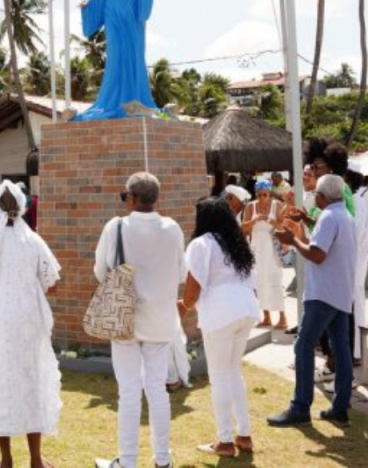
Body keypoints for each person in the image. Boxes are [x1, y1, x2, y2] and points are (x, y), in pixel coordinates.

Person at [0, 181, 62, 468]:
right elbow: (51, 282)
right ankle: (36, 459)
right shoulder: (32, 241)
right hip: (25, 320)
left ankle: (5, 459)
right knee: (31, 379)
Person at [93, 172, 185, 468]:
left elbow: (100, 270)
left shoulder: (116, 226)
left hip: (124, 317)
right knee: (157, 389)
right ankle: (162, 459)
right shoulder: (172, 229)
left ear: (132, 198)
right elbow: (182, 273)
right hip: (160, 318)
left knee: (129, 391)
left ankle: (128, 461)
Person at [269, 174, 357, 427]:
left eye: (316, 194)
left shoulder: (330, 216)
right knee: (341, 349)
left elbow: (317, 255)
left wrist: (291, 240)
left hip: (324, 294)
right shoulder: (344, 214)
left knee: (303, 345)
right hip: (340, 292)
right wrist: (306, 220)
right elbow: (324, 242)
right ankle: (340, 406)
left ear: (322, 196)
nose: (314, 198)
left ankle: (300, 407)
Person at [179, 198, 261, 458]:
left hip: (221, 313)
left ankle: (225, 441)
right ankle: (244, 435)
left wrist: (182, 306)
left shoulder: (201, 244)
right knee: (232, 372)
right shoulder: (238, 244)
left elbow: (192, 290)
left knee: (220, 376)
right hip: (246, 309)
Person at [241, 179, 286, 329]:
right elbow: (243, 229)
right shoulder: (250, 207)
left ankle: (282, 317)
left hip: (272, 248)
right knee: (259, 282)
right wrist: (254, 221)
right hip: (256, 248)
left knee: (275, 281)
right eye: (259, 195)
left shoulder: (277, 205)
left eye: (265, 195)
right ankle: (266, 316)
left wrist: (268, 220)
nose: (262, 198)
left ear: (270, 194)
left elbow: (283, 226)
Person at [349, 170, 368, 360]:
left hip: (353, 267)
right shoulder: (356, 201)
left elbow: (353, 237)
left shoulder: (356, 203)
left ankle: (355, 352)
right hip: (352, 267)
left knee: (355, 310)